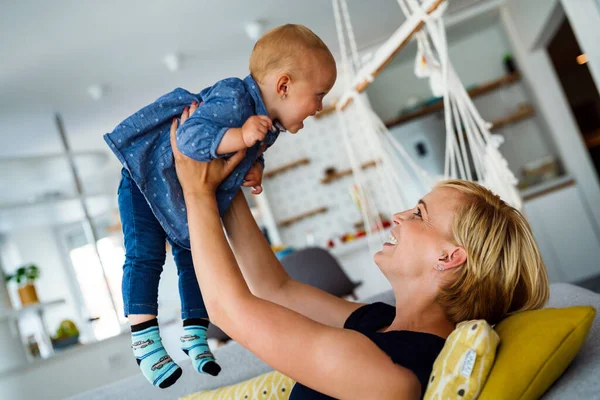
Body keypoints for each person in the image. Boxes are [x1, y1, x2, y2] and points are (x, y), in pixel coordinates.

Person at [169, 107, 550, 399]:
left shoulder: (392, 373)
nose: (399, 216)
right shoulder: (381, 322)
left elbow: (227, 310)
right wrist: (228, 180)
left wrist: (196, 192)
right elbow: (275, 289)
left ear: (449, 257)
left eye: (419, 214)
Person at [104, 24, 336, 388]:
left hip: (181, 194)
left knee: (196, 261)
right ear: (284, 86)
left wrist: (254, 166)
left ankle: (194, 334)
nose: (320, 107)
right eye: (319, 95)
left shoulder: (269, 128)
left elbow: (241, 155)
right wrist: (239, 137)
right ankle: (144, 339)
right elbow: (189, 137)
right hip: (145, 183)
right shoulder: (235, 97)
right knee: (146, 257)